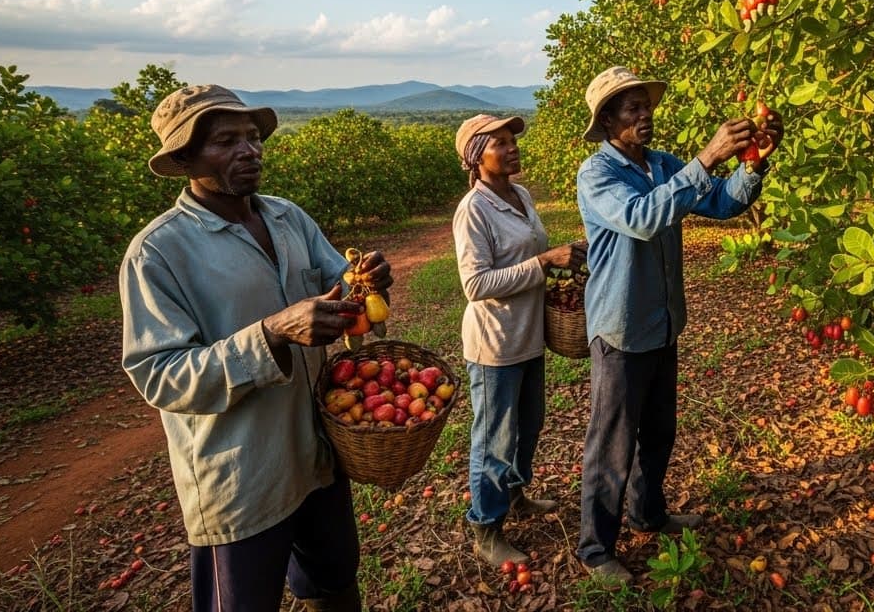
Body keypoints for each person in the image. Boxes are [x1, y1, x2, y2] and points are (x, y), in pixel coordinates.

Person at [120, 84, 390, 612]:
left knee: (335, 581)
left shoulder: (288, 218)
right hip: (243, 476)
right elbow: (159, 376)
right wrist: (271, 334)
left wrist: (367, 281)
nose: (249, 150)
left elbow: (341, 279)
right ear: (184, 156)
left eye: (251, 137)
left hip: (315, 455)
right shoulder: (158, 252)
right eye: (226, 141)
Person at [574, 66, 784, 581]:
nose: (645, 115)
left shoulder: (665, 164)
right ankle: (596, 549)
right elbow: (643, 219)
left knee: (658, 432)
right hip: (621, 329)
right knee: (612, 444)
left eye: (647, 106)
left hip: (663, 323)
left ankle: (649, 513)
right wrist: (709, 157)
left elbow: (720, 201)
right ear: (606, 121)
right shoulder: (596, 174)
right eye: (632, 108)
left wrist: (754, 161)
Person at [452, 113, 587, 566]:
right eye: (501, 143)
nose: (513, 149)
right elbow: (476, 284)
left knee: (528, 427)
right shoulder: (473, 210)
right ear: (477, 156)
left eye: (513, 141)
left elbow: (532, 255)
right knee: (493, 437)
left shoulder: (521, 195)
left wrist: (560, 259)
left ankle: (514, 495)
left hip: (529, 337)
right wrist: (545, 262)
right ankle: (485, 527)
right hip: (495, 346)